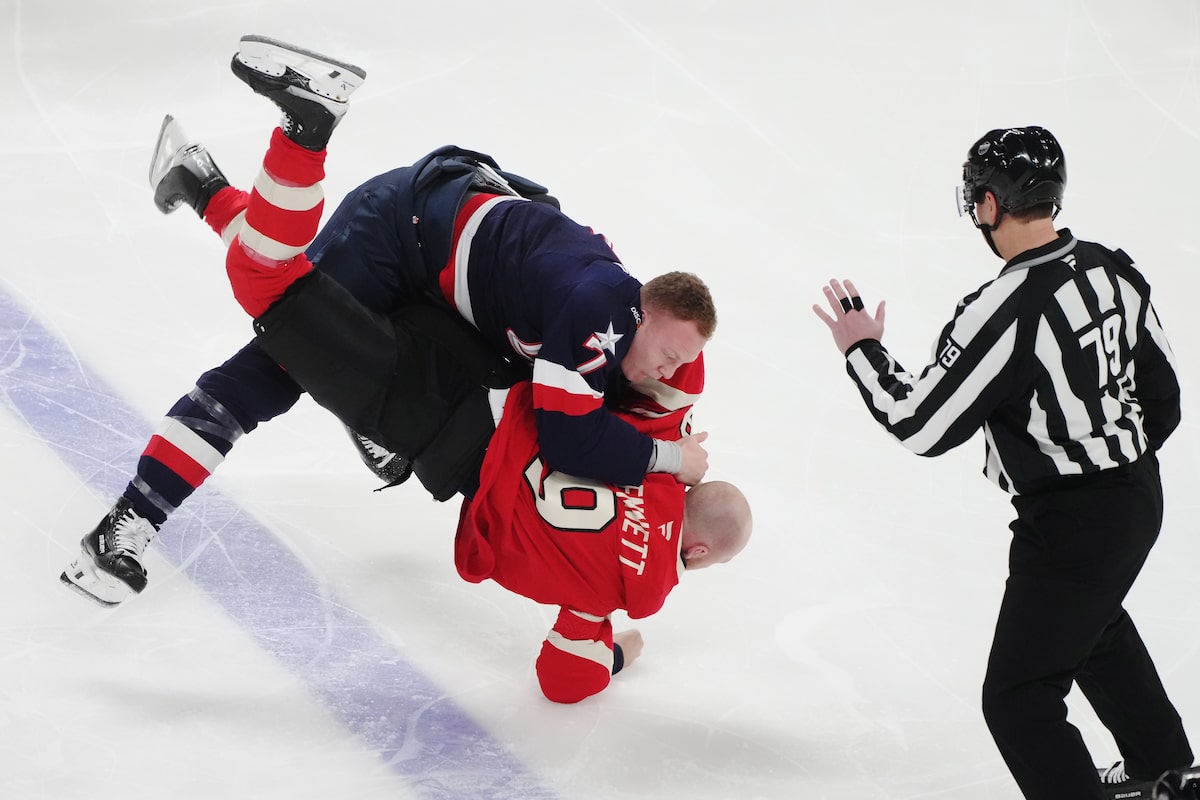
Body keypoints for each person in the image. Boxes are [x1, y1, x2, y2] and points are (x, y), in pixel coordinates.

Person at [61, 35, 717, 607]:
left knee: (297, 299)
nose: (669, 368)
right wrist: (670, 455)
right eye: (668, 350)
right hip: (399, 234)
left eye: (677, 363)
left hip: (442, 259)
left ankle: (198, 179)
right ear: (646, 309)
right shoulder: (601, 316)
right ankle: (305, 128)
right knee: (268, 356)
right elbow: (573, 441)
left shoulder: (616, 316)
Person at [812, 126, 1193, 800]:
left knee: (1018, 698)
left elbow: (921, 424)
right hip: (1139, 496)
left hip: (1071, 523)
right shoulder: (1112, 267)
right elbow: (1163, 397)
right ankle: (1170, 774)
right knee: (1093, 624)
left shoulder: (1004, 309)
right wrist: (1113, 463)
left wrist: (862, 350)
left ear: (988, 205)